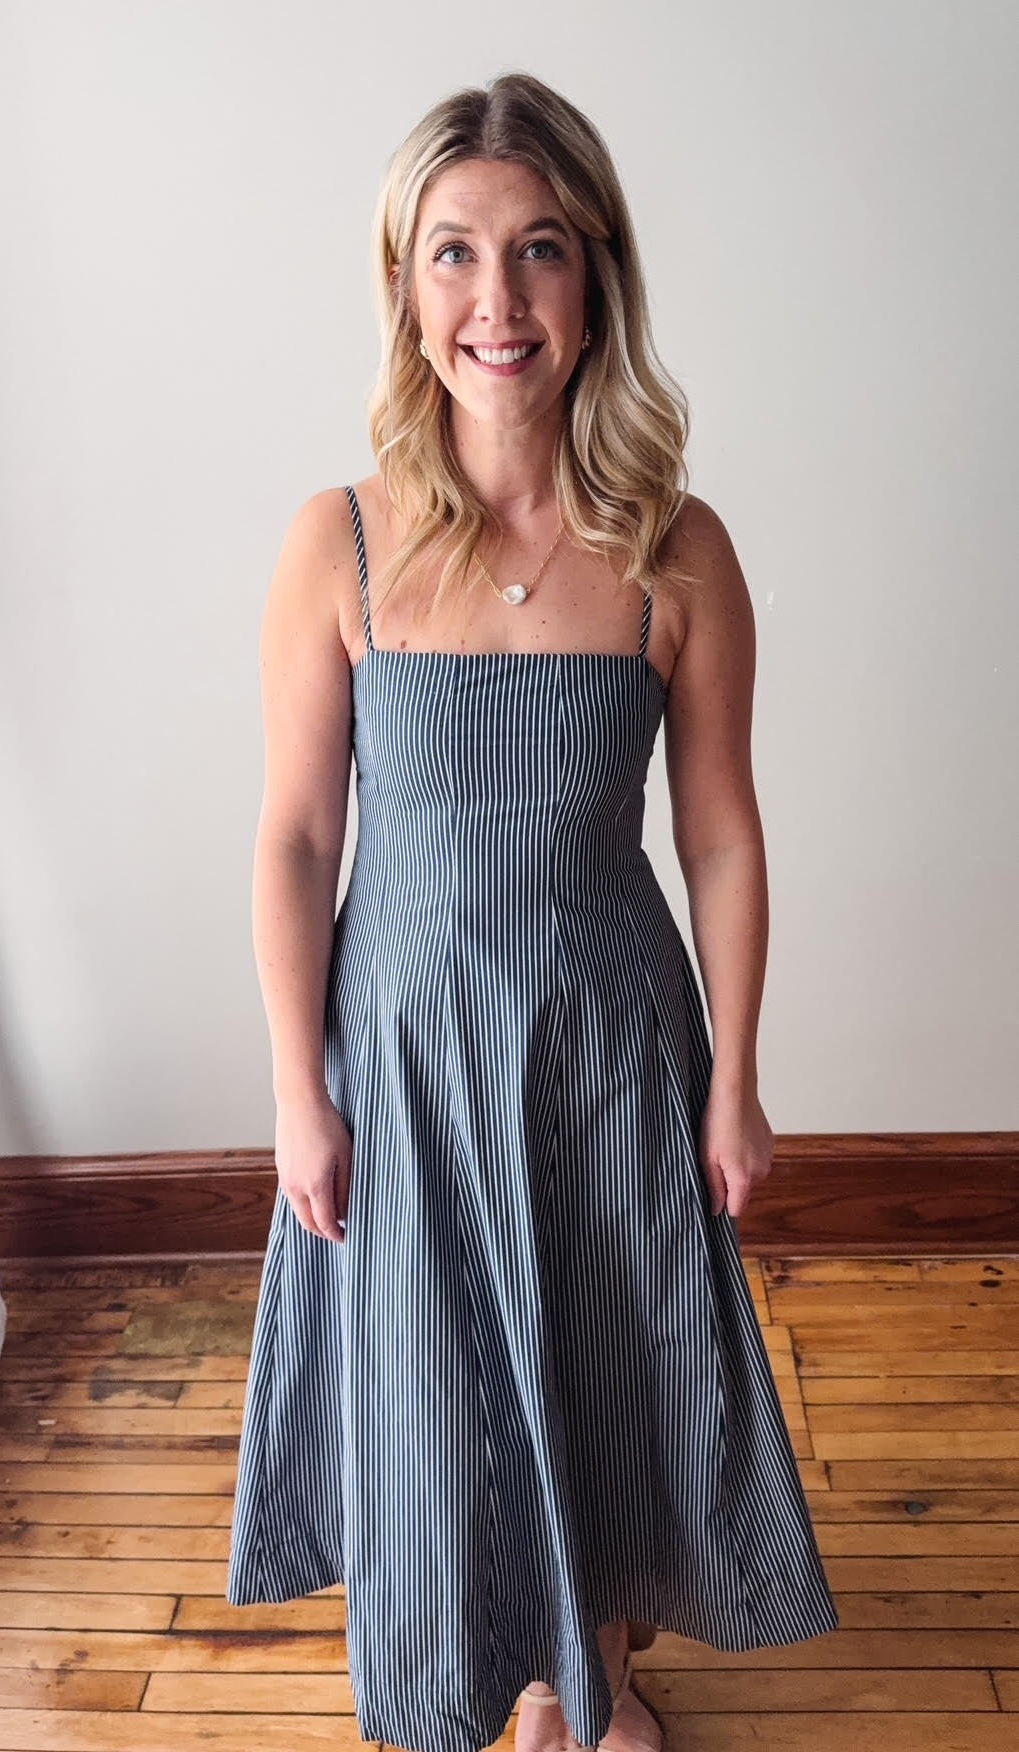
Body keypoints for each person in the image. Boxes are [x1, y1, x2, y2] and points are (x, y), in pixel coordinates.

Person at [225, 69, 839, 1752]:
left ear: (596, 282)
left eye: (539, 252)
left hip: (606, 1042)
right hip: (402, 1052)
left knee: (612, 1361)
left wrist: (734, 1073)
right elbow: (292, 836)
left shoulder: (676, 549)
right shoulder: (334, 546)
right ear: (403, 285)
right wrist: (297, 1089)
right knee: (436, 1384)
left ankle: (596, 1672)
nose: (494, 302)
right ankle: (485, 1672)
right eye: (451, 255)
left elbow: (716, 833)